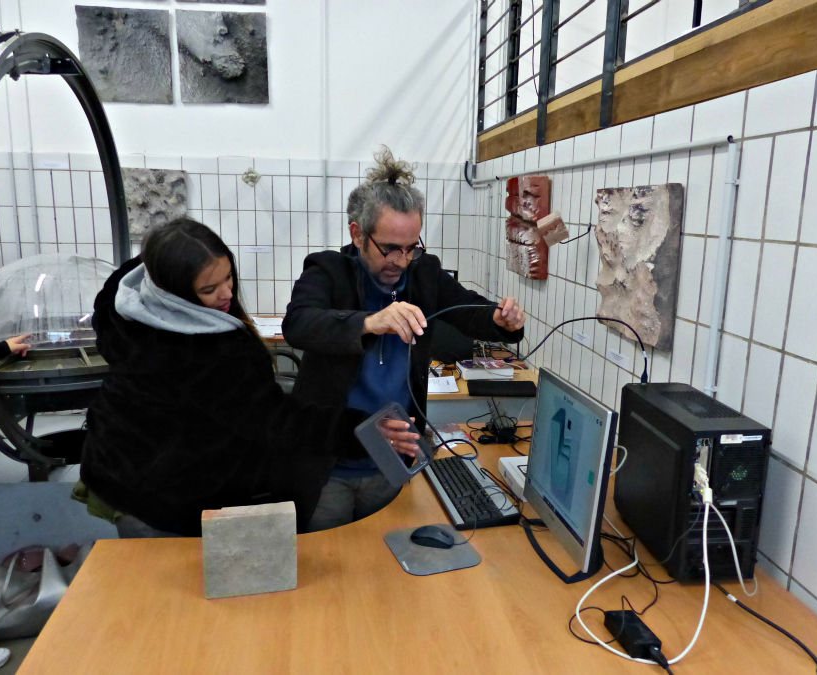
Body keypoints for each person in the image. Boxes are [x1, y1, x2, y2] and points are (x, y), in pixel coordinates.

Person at [80, 218, 419, 537]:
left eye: (228, 276)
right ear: (173, 290)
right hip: (164, 496)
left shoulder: (127, 301)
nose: (227, 294)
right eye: (209, 289)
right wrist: (361, 431)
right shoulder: (207, 353)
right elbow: (277, 421)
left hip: (116, 465)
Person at [283, 147, 526, 531]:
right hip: (329, 464)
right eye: (390, 249)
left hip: (392, 461)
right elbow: (298, 323)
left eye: (412, 247)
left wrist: (502, 320)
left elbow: (467, 309)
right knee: (330, 561)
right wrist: (369, 322)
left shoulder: (424, 273)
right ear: (358, 234)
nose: (401, 260)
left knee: (385, 557)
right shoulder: (328, 270)